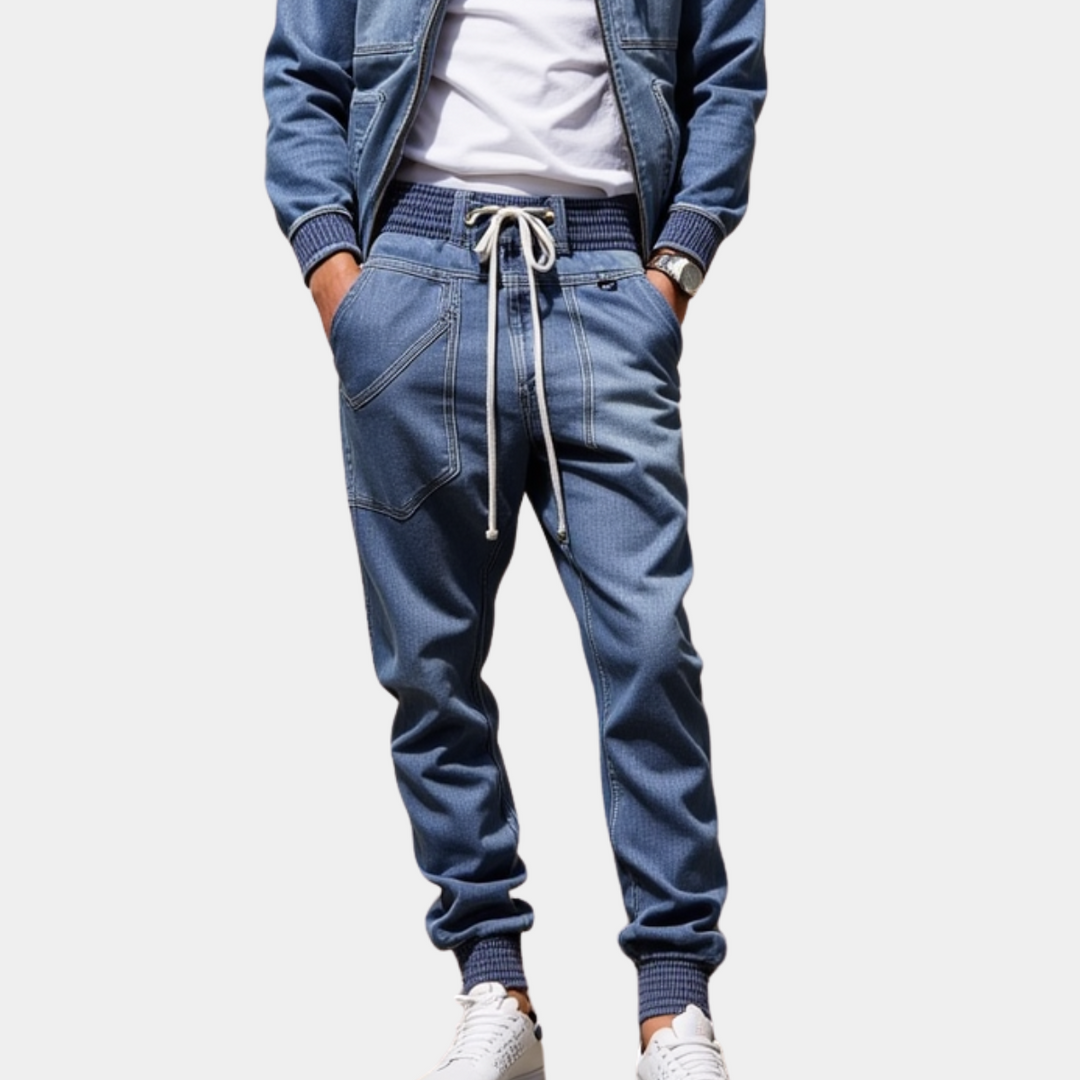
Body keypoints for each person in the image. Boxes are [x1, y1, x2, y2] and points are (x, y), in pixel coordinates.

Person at [264, 1, 765, 1076]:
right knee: (430, 667)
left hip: (604, 279)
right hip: (413, 278)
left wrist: (673, 272)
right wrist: (341, 286)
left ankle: (673, 1005)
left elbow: (727, 69)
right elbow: (303, 76)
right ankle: (494, 982)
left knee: (649, 649)